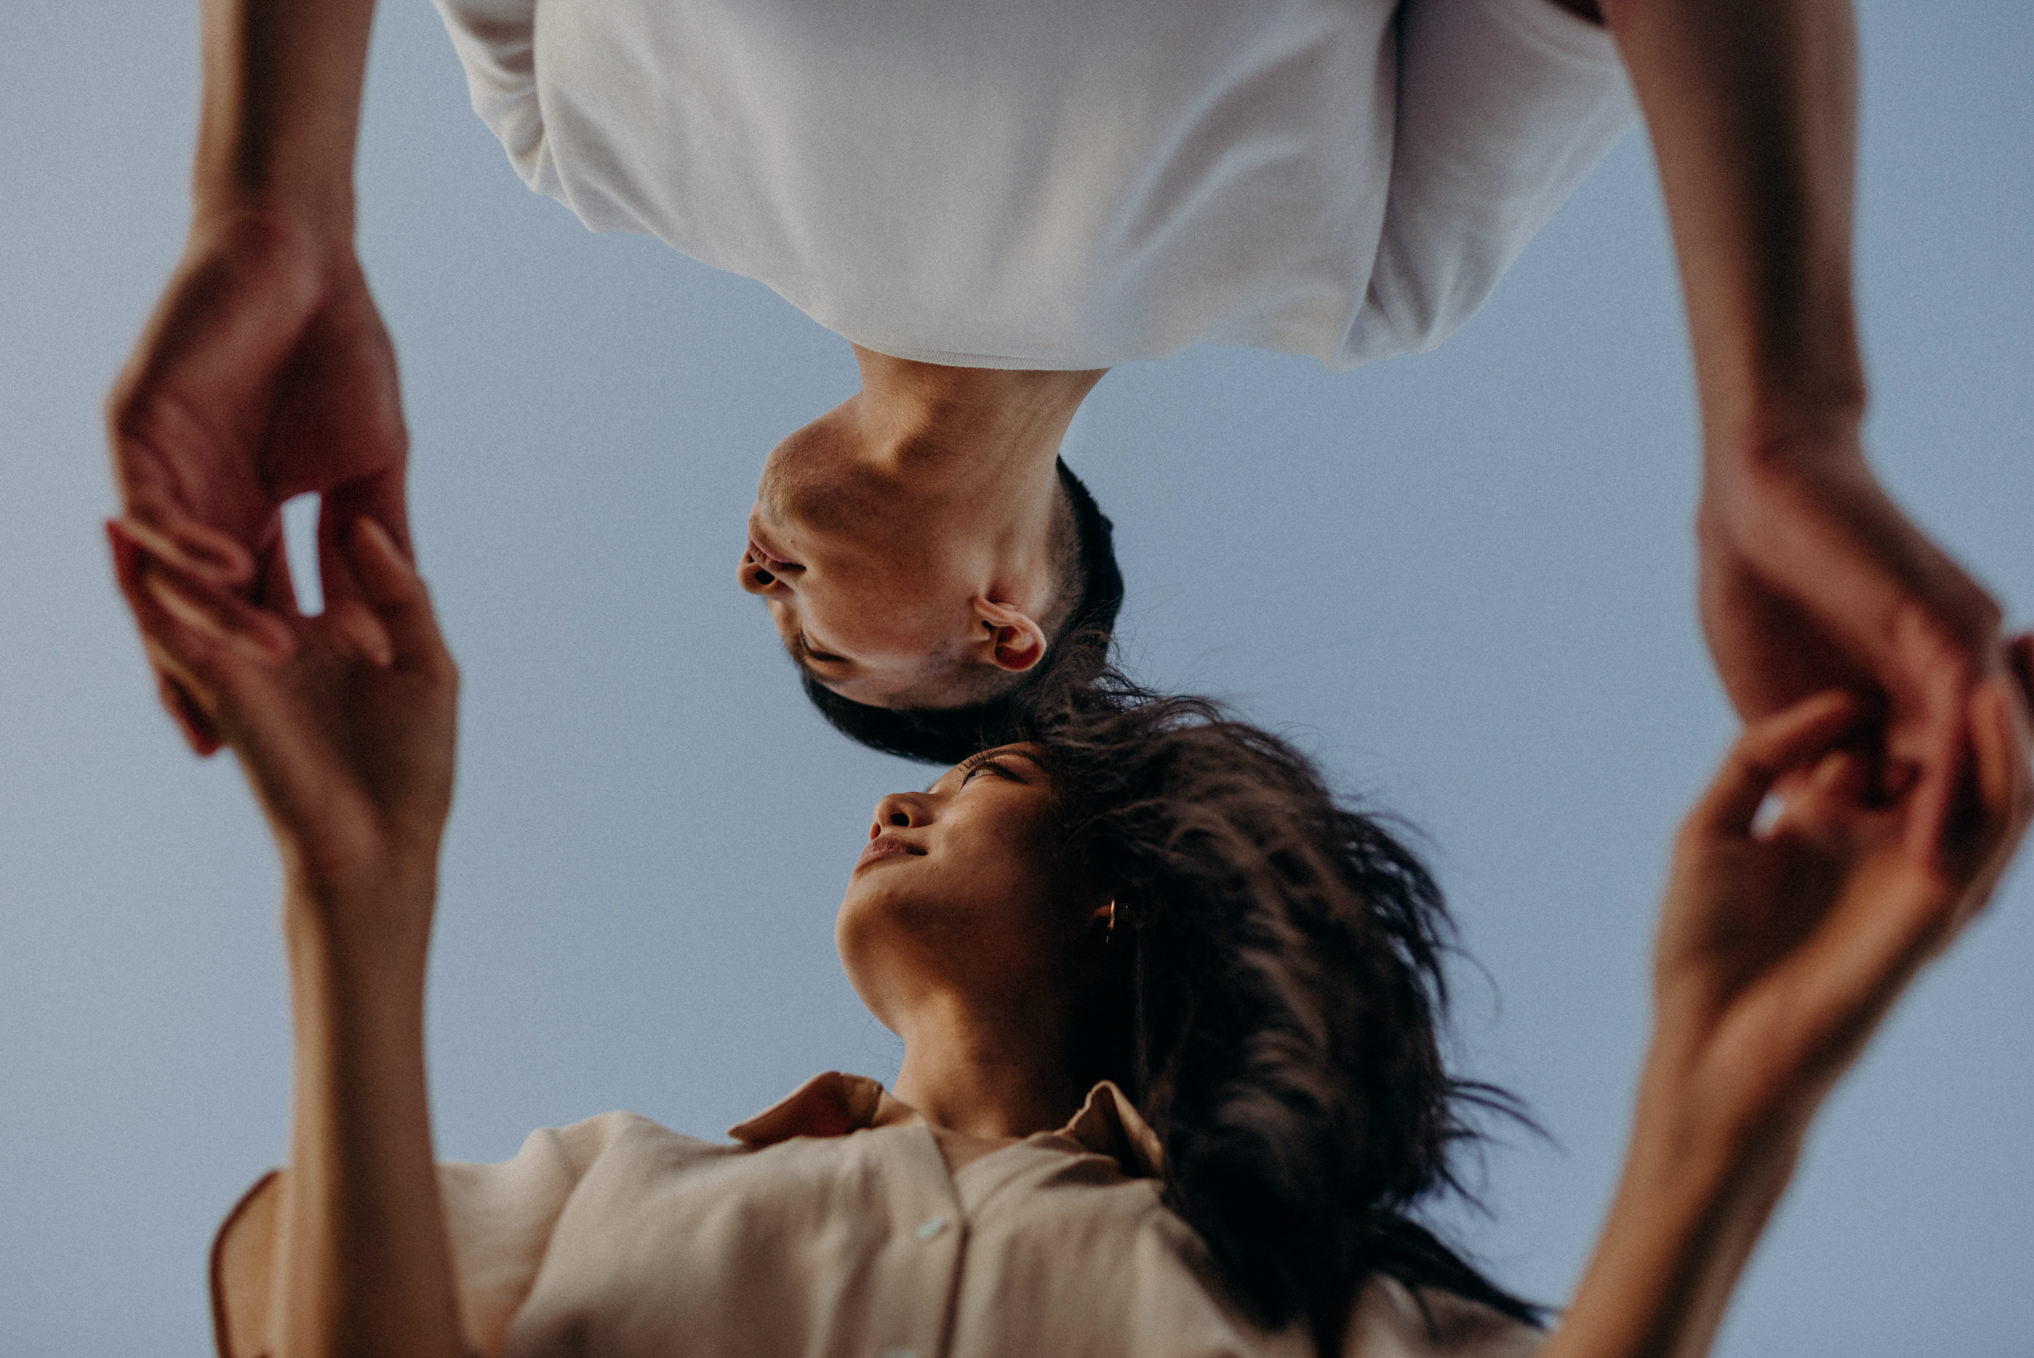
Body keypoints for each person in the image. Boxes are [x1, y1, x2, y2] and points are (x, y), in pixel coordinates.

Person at [113, 516, 2033, 1358]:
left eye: (986, 782)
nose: (900, 786)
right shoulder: (610, 1185)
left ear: (1129, 892)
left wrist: (1733, 1090)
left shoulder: (1306, 1303)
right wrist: (354, 884)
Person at [105, 0, 2012, 784]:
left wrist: (266, 209)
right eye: (826, 653)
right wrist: (1787, 421)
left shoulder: (579, 148)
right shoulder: (1358, 277)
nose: (751, 590)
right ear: (1004, 623)